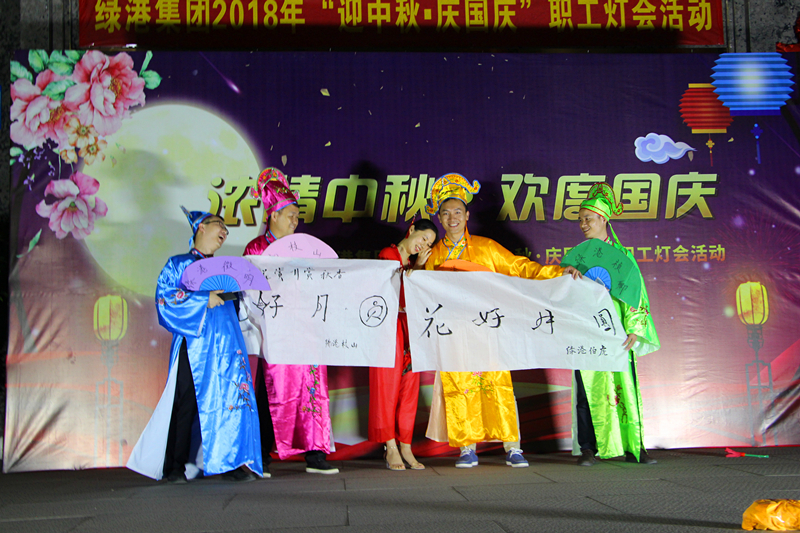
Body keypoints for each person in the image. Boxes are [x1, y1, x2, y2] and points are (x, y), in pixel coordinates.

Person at [423, 173, 580, 468]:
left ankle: (512, 446)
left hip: (488, 329)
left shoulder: (486, 247)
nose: (452, 218)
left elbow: (520, 267)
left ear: (467, 215)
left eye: (457, 212)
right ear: (439, 218)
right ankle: (466, 447)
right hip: (453, 333)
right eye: (446, 213)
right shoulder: (432, 256)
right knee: (458, 385)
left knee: (498, 383)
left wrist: (558, 272)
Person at [127, 207, 262, 483]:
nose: (224, 232)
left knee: (229, 399)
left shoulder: (225, 270)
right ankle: (174, 467)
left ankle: (230, 463)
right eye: (219, 225)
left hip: (225, 344)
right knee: (185, 401)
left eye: (226, 229)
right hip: (194, 343)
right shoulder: (178, 264)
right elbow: (165, 299)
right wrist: (202, 299)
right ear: (201, 227)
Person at [242, 167, 339, 475]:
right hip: (273, 331)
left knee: (312, 388)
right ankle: (261, 454)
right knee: (270, 390)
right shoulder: (256, 248)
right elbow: (249, 291)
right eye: (290, 216)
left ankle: (315, 453)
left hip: (306, 329)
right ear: (273, 215)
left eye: (297, 216)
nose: (295, 221)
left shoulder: (306, 249)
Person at [572, 183, 660, 466]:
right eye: (580, 220)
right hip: (586, 332)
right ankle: (588, 448)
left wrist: (634, 327)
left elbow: (637, 295)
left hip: (617, 333)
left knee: (626, 387)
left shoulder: (623, 257)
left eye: (588, 219)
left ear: (603, 220)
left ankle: (635, 446)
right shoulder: (577, 257)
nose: (583, 224)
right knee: (587, 391)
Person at [369, 219, 439, 471]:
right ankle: (390, 446)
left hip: (411, 328)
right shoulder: (388, 255)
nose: (423, 245)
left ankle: (406, 445)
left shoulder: (413, 264)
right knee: (386, 388)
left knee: (409, 388)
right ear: (411, 231)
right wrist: (415, 269)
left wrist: (418, 268)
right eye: (423, 238)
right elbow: (389, 292)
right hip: (389, 328)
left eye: (429, 244)